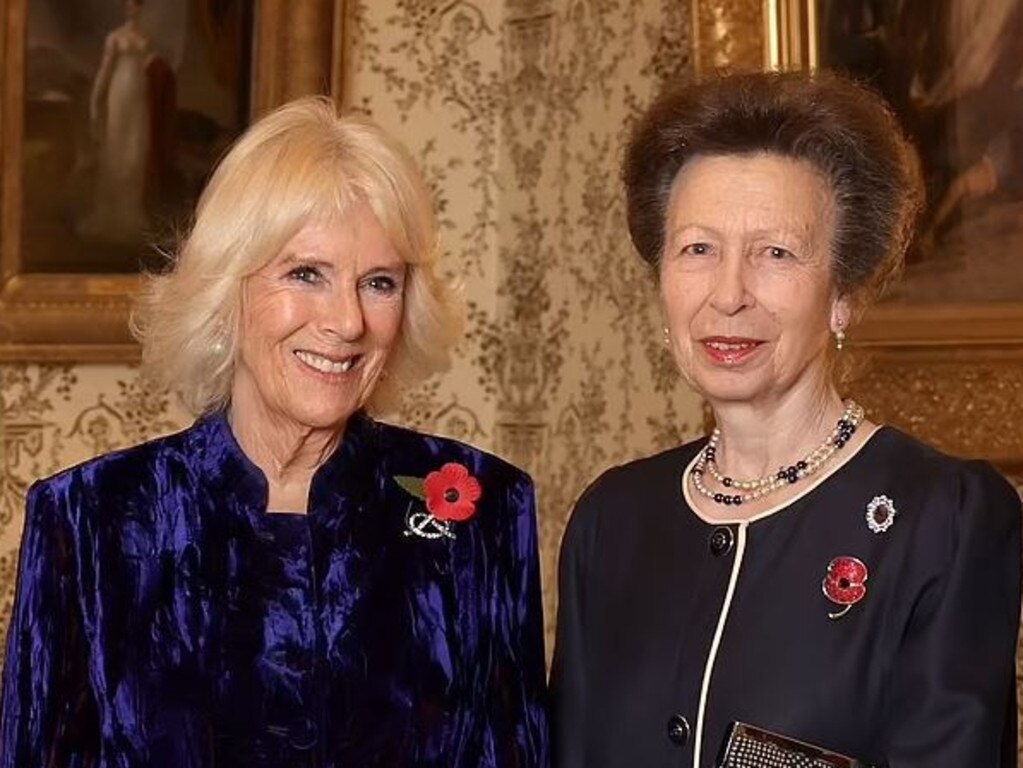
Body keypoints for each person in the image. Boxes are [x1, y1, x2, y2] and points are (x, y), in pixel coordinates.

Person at [1, 96, 549, 767]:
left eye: (378, 282)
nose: (347, 321)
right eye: (305, 273)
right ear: (226, 288)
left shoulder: (480, 507)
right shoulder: (88, 519)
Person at [550, 70, 1021, 768]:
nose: (728, 294)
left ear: (844, 293)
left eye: (775, 253)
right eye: (697, 249)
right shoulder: (612, 518)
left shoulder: (945, 519)